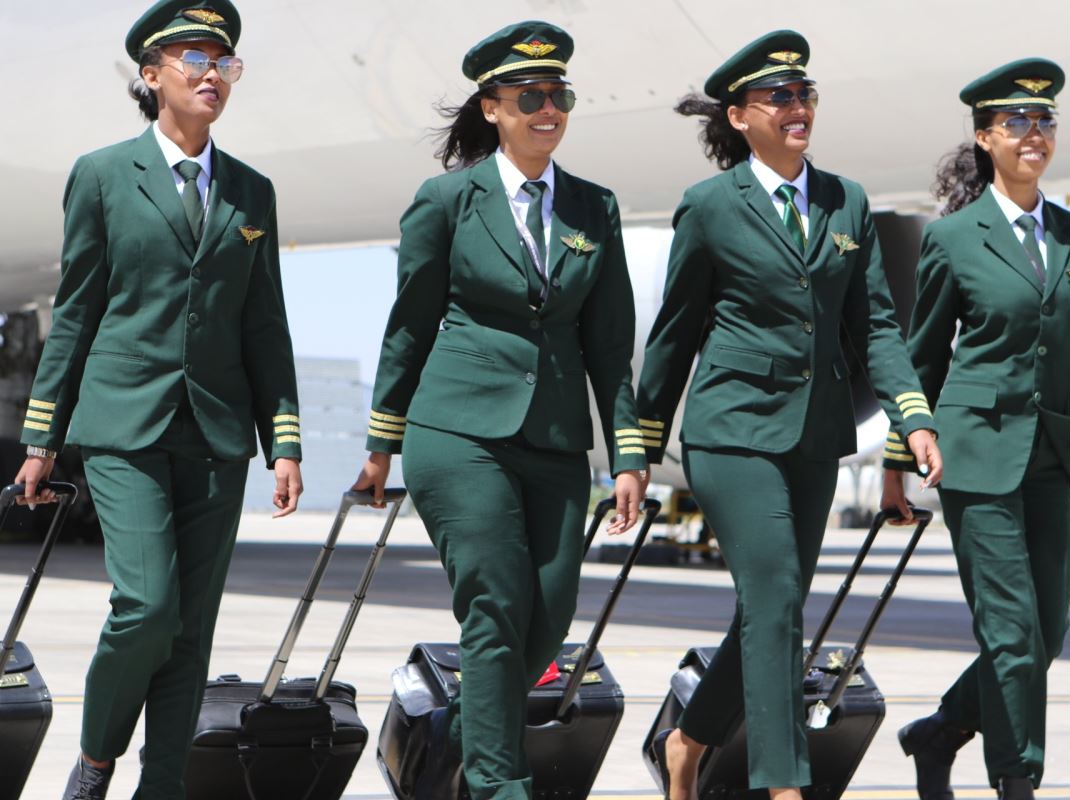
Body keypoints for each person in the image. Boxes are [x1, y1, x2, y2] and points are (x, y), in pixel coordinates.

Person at [635, 30, 942, 800]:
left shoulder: (848, 201)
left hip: (811, 436)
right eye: (778, 97)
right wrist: (637, 452)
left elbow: (874, 325)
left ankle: (687, 741)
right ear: (740, 117)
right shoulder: (709, 208)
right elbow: (673, 337)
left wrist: (913, 418)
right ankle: (784, 786)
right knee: (775, 600)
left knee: (772, 608)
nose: (797, 106)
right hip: (731, 430)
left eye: (804, 94)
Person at [12, 2, 304, 798]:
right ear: (151, 75)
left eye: (224, 63)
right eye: (194, 60)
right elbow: (75, 309)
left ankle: (162, 785)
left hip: (216, 432)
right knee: (147, 605)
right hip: (122, 422)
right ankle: (97, 759)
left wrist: (285, 440)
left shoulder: (252, 191)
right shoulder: (104, 174)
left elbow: (264, 321)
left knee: (191, 630)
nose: (212, 75)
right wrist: (42, 438)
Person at [351, 20, 647, 800]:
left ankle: (455, 733)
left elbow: (611, 342)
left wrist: (629, 454)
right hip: (456, 430)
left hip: (552, 437)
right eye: (530, 96)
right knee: (495, 600)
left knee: (547, 619)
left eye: (560, 95)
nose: (548, 109)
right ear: (492, 107)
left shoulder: (595, 206)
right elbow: (410, 321)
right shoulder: (447, 199)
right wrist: (383, 440)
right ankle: (496, 783)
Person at [880, 58, 1070, 800]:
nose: (1035, 134)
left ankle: (938, 733)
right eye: (1019, 122)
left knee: (1046, 634)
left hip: (1049, 455)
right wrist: (897, 459)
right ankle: (1016, 781)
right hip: (973, 456)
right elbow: (923, 356)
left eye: (1045, 121)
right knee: (1009, 634)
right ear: (985, 137)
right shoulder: (955, 238)